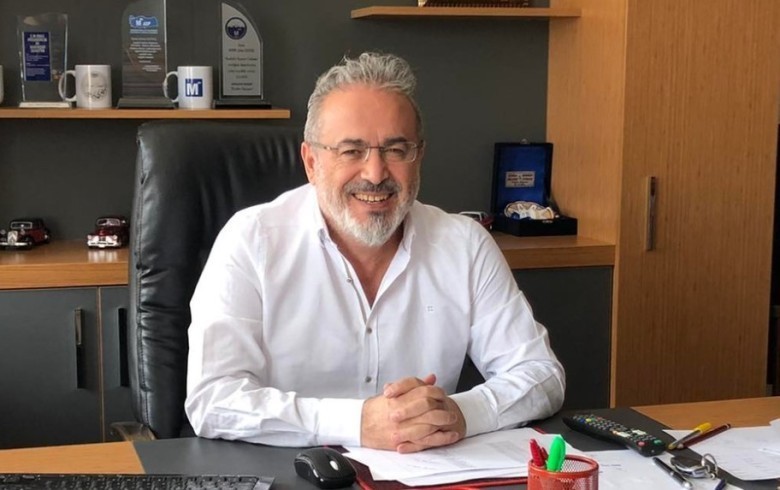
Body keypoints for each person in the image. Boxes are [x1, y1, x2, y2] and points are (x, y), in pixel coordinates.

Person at [185, 51, 565, 453]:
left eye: (396, 150)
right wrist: (356, 423)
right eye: (351, 151)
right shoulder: (251, 240)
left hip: (425, 470)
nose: (375, 173)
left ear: (419, 157)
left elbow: (541, 374)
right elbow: (212, 399)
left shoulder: (465, 245)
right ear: (311, 162)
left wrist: (460, 412)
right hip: (289, 471)